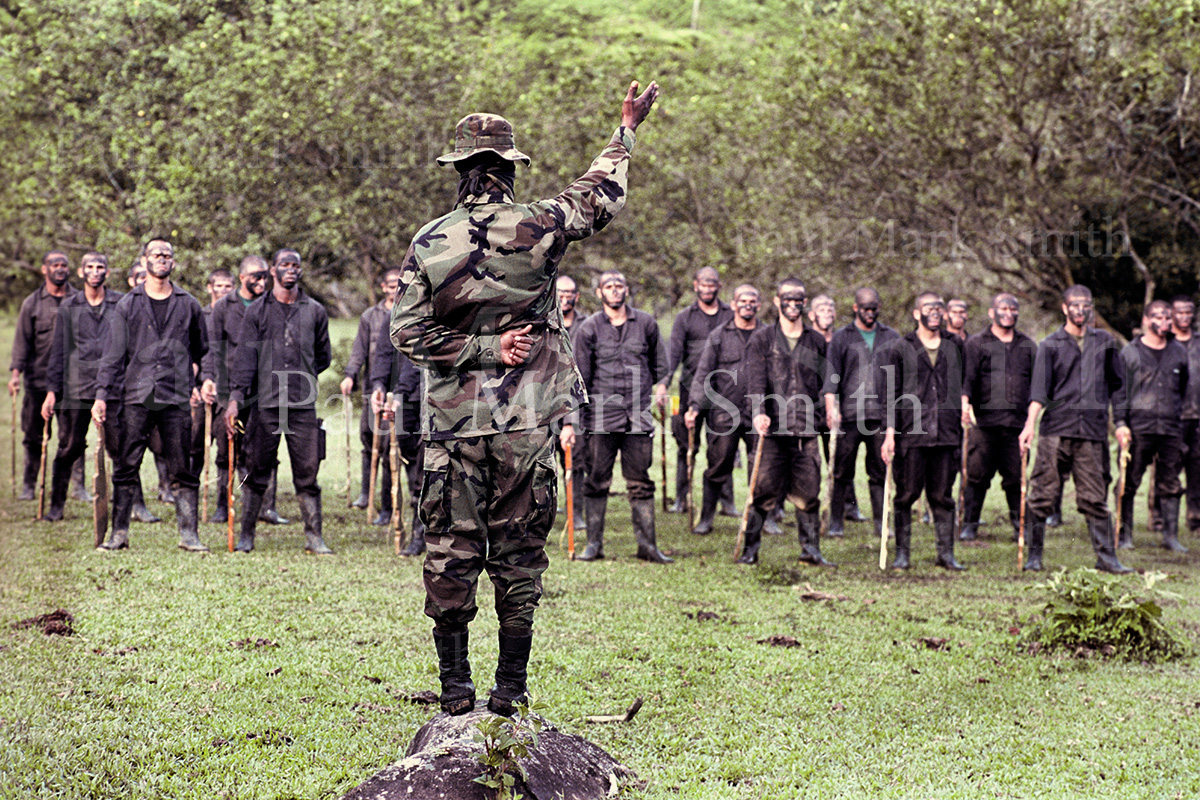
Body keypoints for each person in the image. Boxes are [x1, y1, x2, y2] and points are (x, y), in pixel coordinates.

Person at [390, 80, 659, 717]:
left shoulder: (430, 240)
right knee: (519, 554)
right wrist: (627, 127)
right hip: (527, 421)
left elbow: (405, 331)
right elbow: (599, 195)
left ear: (457, 170)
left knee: (451, 550)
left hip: (454, 425)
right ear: (510, 168)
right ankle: (510, 691)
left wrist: (477, 351)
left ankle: (455, 692)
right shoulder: (540, 224)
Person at [93, 238, 208, 552]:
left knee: (182, 467)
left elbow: (203, 350)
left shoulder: (189, 304)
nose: (162, 258)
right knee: (126, 465)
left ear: (173, 262)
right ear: (144, 260)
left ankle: (189, 535)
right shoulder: (128, 304)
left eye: (167, 255)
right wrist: (102, 395)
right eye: (156, 254)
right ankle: (119, 534)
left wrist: (201, 381)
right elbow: (113, 355)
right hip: (136, 397)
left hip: (176, 398)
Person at [225, 249, 332, 554]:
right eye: (284, 265)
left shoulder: (315, 311)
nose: (290, 270)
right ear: (273, 270)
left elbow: (322, 357)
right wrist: (235, 399)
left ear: (300, 271)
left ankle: (314, 537)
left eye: (295, 265)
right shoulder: (257, 310)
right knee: (257, 471)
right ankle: (246, 535)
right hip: (265, 405)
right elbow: (245, 359)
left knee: (308, 474)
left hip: (302, 405)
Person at [1019, 285, 1129, 573]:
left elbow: (1118, 387)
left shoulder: (1105, 342)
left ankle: (1107, 558)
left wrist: (1121, 423)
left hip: (1092, 433)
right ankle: (1034, 557)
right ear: (1065, 308)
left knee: (1094, 497)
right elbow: (1039, 392)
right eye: (1075, 305)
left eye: (1086, 305)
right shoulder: (1050, 344)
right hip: (1055, 430)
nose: (1081, 311)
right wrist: (1029, 425)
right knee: (1042, 493)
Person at [573, 270, 672, 564]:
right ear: (600, 293)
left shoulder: (646, 324)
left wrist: (650, 390)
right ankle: (593, 545)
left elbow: (660, 366)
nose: (615, 291)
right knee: (596, 480)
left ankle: (648, 546)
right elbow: (581, 377)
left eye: (620, 286)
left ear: (627, 290)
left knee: (640, 481)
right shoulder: (589, 329)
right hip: (601, 419)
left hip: (638, 418)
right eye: (609, 286)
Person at [739, 278, 833, 567]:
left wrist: (830, 408)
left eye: (798, 301)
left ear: (804, 304)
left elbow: (824, 381)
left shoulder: (816, 341)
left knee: (808, 493)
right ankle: (750, 550)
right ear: (777, 301)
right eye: (787, 300)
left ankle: (811, 550)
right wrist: (759, 412)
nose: (793, 306)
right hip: (772, 430)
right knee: (762, 490)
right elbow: (755, 380)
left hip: (806, 429)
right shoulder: (762, 338)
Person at [880, 292, 967, 570]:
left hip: (946, 433)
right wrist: (890, 432)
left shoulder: (956, 345)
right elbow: (890, 393)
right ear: (917, 313)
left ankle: (946, 555)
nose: (935, 313)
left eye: (938, 309)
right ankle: (902, 554)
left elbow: (964, 382)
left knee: (942, 496)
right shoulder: (900, 347)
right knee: (906, 495)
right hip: (911, 433)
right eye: (928, 308)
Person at [200, 255, 284, 524]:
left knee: (264, 449)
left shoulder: (273, 305)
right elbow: (212, 348)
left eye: (264, 277)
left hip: (266, 390)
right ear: (242, 278)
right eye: (255, 277)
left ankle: (264, 507)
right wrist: (208, 378)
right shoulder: (224, 307)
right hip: (229, 389)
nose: (261, 281)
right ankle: (223, 506)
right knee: (227, 449)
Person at [39, 252, 122, 521]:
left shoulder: (120, 304)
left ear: (107, 273)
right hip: (76, 389)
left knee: (121, 450)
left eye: (101, 267)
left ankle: (131, 507)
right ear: (81, 272)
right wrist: (52, 392)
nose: (96, 271)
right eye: (90, 267)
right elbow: (59, 352)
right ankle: (56, 506)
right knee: (69, 447)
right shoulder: (69, 306)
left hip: (113, 389)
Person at [684, 283, 761, 535]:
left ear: (758, 305)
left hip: (760, 413)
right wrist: (695, 406)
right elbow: (703, 372)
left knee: (761, 467)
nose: (747, 305)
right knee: (717, 466)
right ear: (734, 304)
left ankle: (762, 519)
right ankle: (706, 518)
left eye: (752, 301)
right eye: (743, 301)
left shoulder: (768, 335)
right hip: (723, 413)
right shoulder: (718, 335)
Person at [822, 286, 899, 538]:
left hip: (880, 416)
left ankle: (881, 523)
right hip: (849, 416)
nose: (870, 313)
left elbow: (899, 379)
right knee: (842, 470)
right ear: (855, 308)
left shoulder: (891, 337)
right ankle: (836, 521)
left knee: (879, 471)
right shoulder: (842, 337)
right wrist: (831, 409)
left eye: (874, 308)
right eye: (865, 308)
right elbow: (831, 378)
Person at [959, 293, 1036, 541]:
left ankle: (1020, 525)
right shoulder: (976, 343)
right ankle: (970, 524)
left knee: (1015, 478)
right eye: (1003, 308)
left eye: (1013, 309)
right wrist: (965, 405)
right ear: (991, 312)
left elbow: (1037, 385)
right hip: (984, 423)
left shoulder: (1028, 346)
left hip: (1016, 425)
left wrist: (1030, 423)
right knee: (977, 475)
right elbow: (967, 379)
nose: (1009, 313)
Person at [1113, 300, 1189, 553]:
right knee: (1129, 481)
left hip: (1170, 428)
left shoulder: (1179, 351)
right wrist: (1121, 423)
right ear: (1146, 320)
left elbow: (1185, 388)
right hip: (1138, 427)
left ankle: (1170, 536)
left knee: (1170, 483)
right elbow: (1120, 391)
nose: (1165, 322)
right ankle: (1124, 535)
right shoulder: (1131, 352)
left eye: (1168, 318)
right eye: (1158, 317)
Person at [663, 267, 735, 515]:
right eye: (703, 284)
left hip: (724, 392)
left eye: (712, 284)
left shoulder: (730, 314)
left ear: (719, 286)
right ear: (695, 286)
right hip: (688, 391)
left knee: (723, 447)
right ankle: (681, 499)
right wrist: (664, 383)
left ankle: (727, 502)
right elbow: (673, 355)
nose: (707, 288)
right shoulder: (685, 317)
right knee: (686, 447)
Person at [9, 250, 77, 501]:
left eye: (64, 265)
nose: (60, 269)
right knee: (34, 435)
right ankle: (30, 483)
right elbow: (22, 342)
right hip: (38, 381)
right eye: (54, 264)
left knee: (71, 437)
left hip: (72, 383)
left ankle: (75, 485)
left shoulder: (78, 300)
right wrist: (16, 374)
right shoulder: (32, 303)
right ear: (44, 269)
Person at [343, 267, 402, 525]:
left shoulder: (410, 312)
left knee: (392, 447)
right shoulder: (370, 316)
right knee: (369, 444)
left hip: (401, 392)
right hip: (373, 389)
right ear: (382, 287)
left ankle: (390, 504)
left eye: (398, 284)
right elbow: (359, 349)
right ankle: (366, 494)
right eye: (390, 284)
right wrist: (349, 375)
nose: (394, 288)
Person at [370, 316, 425, 555]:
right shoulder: (398, 313)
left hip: (435, 400)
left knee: (427, 470)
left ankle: (422, 535)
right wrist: (379, 385)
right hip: (407, 401)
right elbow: (383, 354)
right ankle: (414, 530)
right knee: (407, 463)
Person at [555, 274, 590, 532]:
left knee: (575, 460)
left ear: (577, 297)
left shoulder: (588, 326)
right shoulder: (542, 323)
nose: (565, 298)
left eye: (569, 293)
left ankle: (575, 512)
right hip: (544, 403)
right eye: (560, 292)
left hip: (577, 404)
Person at [1172, 296, 1200, 535]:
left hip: (1197, 416)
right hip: (1173, 417)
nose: (1184, 317)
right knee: (1168, 468)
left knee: (1197, 469)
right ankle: (1158, 517)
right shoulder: (1166, 343)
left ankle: (1195, 518)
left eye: (1188, 312)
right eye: (1179, 312)